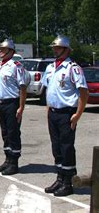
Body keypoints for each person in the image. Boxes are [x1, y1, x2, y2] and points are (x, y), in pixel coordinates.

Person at [41, 36, 88, 196]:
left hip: (67, 114)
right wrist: (48, 108)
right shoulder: (50, 67)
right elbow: (48, 89)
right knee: (56, 148)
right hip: (53, 113)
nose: (54, 50)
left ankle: (68, 182)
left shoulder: (73, 68)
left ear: (66, 50)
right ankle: (60, 178)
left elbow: (83, 92)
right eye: (53, 48)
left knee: (66, 147)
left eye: (57, 48)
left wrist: (77, 115)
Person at [0, 39, 27, 176]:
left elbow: (23, 87)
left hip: (12, 103)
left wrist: (21, 107)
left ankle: (14, 163)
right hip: (1, 104)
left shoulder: (15, 66)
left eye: (3, 49)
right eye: (0, 49)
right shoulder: (0, 65)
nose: (0, 51)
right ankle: (7, 159)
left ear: (10, 51)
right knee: (5, 133)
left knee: (13, 133)